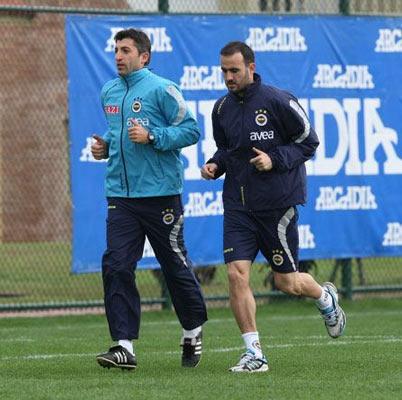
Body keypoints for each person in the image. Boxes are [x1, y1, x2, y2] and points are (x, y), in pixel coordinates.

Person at [201, 41, 346, 373]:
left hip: (277, 206)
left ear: (251, 68)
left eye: (234, 70)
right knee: (236, 274)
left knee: (287, 283)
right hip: (238, 207)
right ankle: (254, 353)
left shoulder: (279, 100)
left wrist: (274, 159)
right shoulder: (221, 109)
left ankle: (325, 298)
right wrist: (214, 165)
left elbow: (309, 141)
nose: (228, 77)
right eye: (223, 71)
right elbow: (227, 151)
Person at [91, 28, 207, 371]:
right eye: (116, 49)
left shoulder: (162, 89)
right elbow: (117, 134)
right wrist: (105, 147)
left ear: (144, 56)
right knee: (116, 265)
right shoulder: (109, 91)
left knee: (174, 266)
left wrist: (152, 135)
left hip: (161, 196)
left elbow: (191, 130)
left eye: (125, 50)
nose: (118, 56)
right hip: (121, 196)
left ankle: (192, 330)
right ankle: (123, 346)